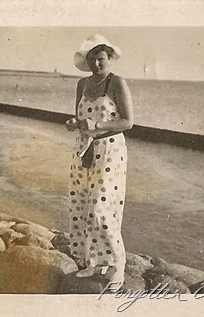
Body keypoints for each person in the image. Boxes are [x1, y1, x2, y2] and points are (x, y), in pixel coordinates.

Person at [65, 34, 133, 286]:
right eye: (92, 59)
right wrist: (74, 123)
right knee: (80, 206)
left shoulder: (116, 82)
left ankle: (118, 265)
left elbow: (128, 122)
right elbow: (79, 117)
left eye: (100, 58)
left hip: (110, 150)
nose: (96, 64)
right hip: (83, 149)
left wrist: (99, 124)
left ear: (109, 58)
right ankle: (92, 263)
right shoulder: (82, 84)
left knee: (101, 208)